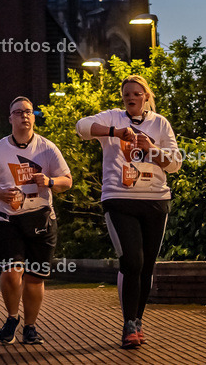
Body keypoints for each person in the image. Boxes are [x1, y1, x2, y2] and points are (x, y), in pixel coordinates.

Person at [75, 75, 182, 349]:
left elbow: (175, 164)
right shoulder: (113, 118)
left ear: (145, 96)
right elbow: (81, 127)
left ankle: (137, 322)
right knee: (131, 261)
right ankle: (128, 323)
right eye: (126, 95)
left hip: (155, 201)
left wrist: (152, 149)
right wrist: (115, 132)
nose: (131, 98)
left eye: (136, 94)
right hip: (119, 199)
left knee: (146, 266)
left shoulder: (160, 123)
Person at [0, 95, 72, 346]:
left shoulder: (47, 148)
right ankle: (12, 317)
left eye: (29, 112)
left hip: (40, 219)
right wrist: (0, 194)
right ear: (10, 119)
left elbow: (67, 181)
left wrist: (50, 182)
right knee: (11, 272)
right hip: (5, 219)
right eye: (19, 112)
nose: (25, 116)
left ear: (33, 117)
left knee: (35, 277)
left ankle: (30, 327)